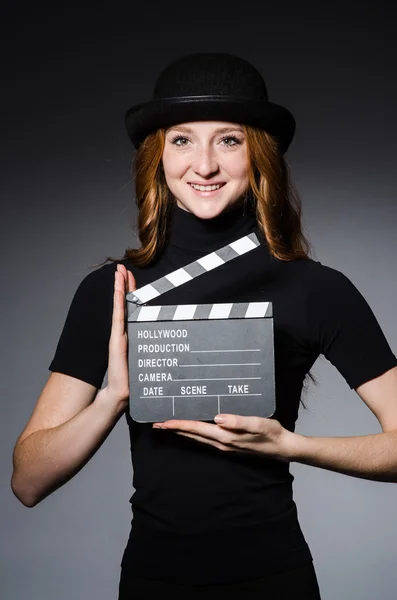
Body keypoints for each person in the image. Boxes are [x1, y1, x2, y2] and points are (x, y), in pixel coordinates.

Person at [11, 53, 397, 600]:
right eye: (183, 140)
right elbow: (27, 481)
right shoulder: (115, 291)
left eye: (230, 140)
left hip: (274, 576)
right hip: (152, 578)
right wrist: (114, 396)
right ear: (158, 156)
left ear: (259, 154)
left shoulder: (316, 288)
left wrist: (292, 446)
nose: (205, 165)